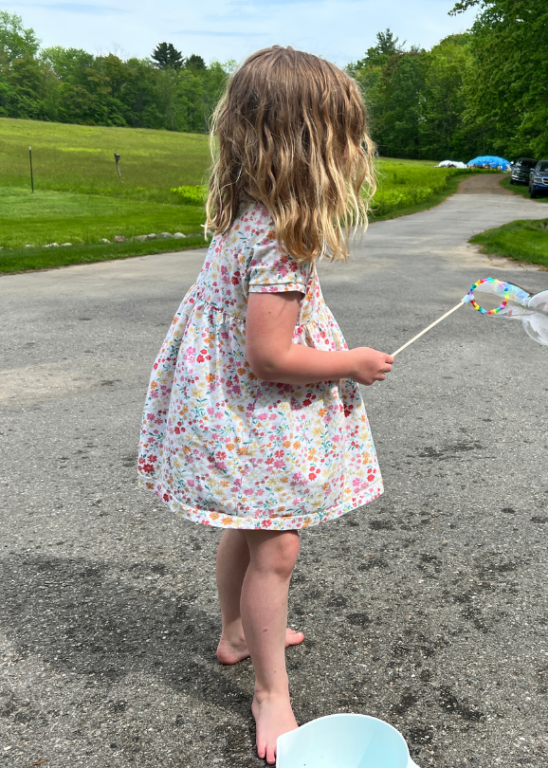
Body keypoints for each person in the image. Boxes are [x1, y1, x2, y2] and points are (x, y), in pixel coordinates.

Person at [137, 46, 394, 765]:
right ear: (313, 145)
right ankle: (269, 695)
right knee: (276, 546)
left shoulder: (247, 214)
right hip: (253, 410)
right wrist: (352, 362)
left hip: (226, 406)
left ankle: (234, 631)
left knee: (248, 528)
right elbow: (272, 356)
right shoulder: (284, 236)